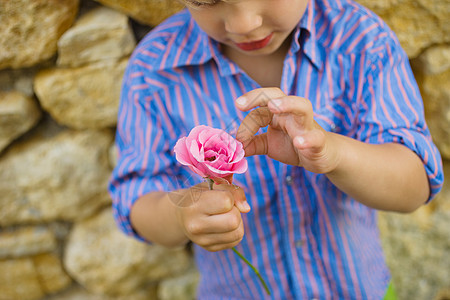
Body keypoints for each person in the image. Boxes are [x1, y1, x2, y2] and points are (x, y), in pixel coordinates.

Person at [108, 0, 444, 298]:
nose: (244, 24)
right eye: (205, 1)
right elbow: (137, 198)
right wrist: (181, 214)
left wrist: (334, 153)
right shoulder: (153, 72)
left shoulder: (361, 41)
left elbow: (415, 185)